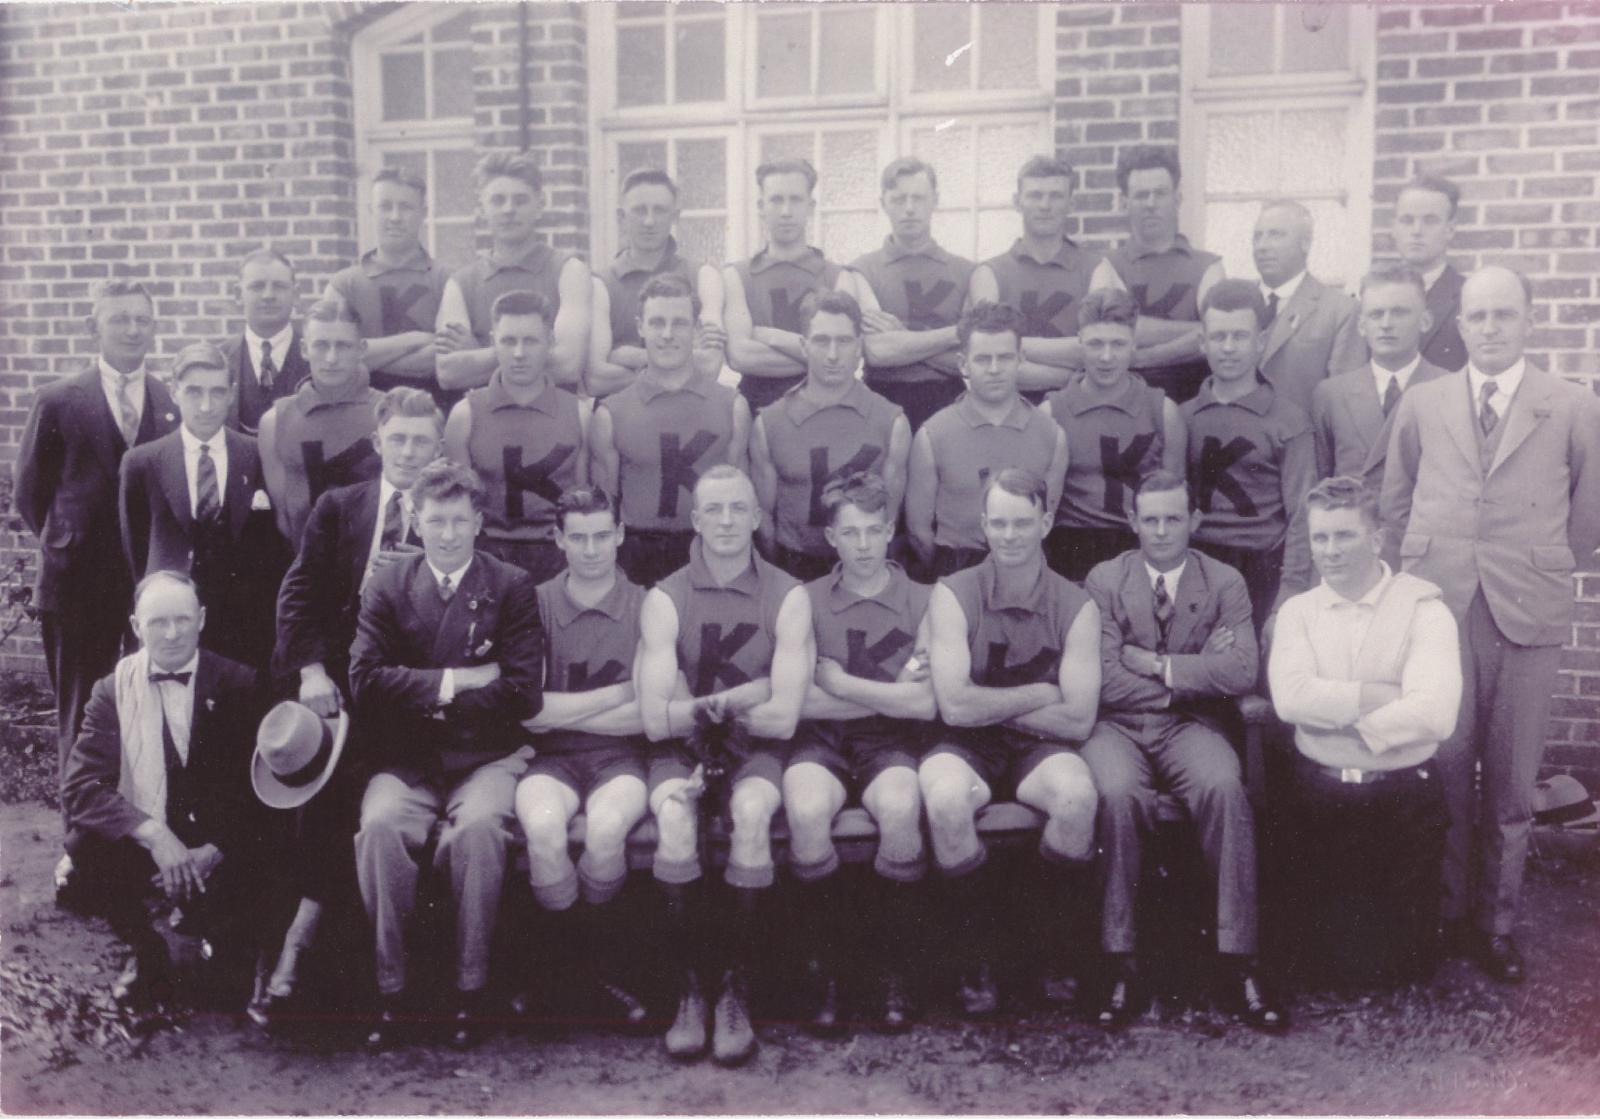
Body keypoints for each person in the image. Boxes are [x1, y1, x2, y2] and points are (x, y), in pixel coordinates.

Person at [1382, 265, 1600, 983]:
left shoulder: (1571, 405)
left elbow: (1590, 514)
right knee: (1445, 769)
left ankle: (1496, 924)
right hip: (1442, 604)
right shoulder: (1425, 402)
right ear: (1460, 323)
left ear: (1529, 319)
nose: (1491, 327)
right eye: (1478, 316)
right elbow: (1397, 498)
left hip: (1527, 607)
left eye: (1505, 314)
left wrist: (1540, 558)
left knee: (1510, 781)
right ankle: (1445, 915)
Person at [261, 386, 445, 1031]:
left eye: (422, 441)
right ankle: (304, 934)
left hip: (420, 682)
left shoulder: (451, 514)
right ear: (378, 441)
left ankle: (309, 934)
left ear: (438, 447)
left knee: (354, 774)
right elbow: (299, 592)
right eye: (398, 439)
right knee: (325, 766)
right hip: (341, 677)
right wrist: (311, 669)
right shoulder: (341, 508)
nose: (410, 452)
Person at [349, 462, 545, 1049]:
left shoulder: (510, 584)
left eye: (460, 521)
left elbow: (521, 691)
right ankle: (394, 990)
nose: (448, 533)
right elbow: (363, 679)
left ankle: (470, 989)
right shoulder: (387, 584)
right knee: (379, 828)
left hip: (485, 755)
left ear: (478, 523)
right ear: (416, 520)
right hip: (406, 759)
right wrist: (453, 683)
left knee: (480, 832)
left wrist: (421, 697)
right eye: (436, 520)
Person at [1081, 470, 1282, 1032]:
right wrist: (1196, 672)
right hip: (1116, 727)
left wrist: (1155, 664)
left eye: (1174, 519)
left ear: (1194, 521)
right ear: (1132, 521)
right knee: (1118, 794)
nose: (1163, 531)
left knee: (1223, 787)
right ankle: (1120, 961)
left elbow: (1242, 670)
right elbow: (1102, 678)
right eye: (1151, 519)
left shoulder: (1224, 583)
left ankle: (1237, 958)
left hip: (1189, 726)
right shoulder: (1104, 579)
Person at [636, 465, 811, 1065]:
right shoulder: (664, 596)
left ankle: (737, 987)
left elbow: (785, 718)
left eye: (739, 509)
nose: (728, 521)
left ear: (758, 516)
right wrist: (751, 691)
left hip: (757, 748)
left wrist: (701, 705)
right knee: (677, 819)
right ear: (695, 520)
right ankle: (690, 988)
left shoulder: (788, 595)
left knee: (753, 810)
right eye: (714, 510)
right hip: (679, 751)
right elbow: (656, 722)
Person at [920, 468, 1101, 1015]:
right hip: (962, 743)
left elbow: (1078, 721)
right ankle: (979, 955)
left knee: (1077, 797)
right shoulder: (953, 593)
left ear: (1046, 522)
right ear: (982, 525)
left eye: (1022, 523)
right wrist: (1039, 693)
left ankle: (1046, 951)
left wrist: (992, 705)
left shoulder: (1077, 605)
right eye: (998, 523)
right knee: (946, 798)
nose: (1010, 535)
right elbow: (953, 704)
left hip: (1035, 748)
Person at [1269, 476, 1461, 989]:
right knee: (1325, 964)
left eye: (1344, 536)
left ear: (1376, 539)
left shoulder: (1426, 610)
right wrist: (1381, 694)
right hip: (1322, 799)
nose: (1329, 551)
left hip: (1402, 801)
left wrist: (1340, 715)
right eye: (1319, 538)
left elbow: (1437, 713)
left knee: (1401, 968)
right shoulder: (1298, 613)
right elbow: (1289, 700)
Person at [60, 572, 266, 1010]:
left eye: (182, 620)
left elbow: (260, 791)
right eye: (157, 623)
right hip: (154, 835)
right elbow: (80, 786)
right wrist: (154, 836)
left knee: (225, 982)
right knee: (84, 843)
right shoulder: (112, 690)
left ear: (202, 619)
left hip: (216, 842)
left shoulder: (240, 683)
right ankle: (144, 948)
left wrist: (217, 848)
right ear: (136, 627)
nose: (172, 634)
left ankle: (216, 934)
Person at [16, 279, 179, 822]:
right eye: (120, 320)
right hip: (77, 583)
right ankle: (79, 842)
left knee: (141, 706)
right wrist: (67, 542)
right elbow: (30, 493)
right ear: (95, 328)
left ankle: (135, 828)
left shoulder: (166, 398)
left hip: (144, 584)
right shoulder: (60, 399)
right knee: (82, 710)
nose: (133, 330)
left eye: (143, 320)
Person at [786, 472, 937, 1034]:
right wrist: (887, 696)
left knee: (900, 805)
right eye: (851, 533)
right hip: (819, 741)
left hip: (890, 743)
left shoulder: (924, 599)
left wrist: (843, 686)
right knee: (804, 809)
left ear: (891, 531)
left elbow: (923, 707)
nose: (865, 545)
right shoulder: (803, 600)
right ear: (831, 538)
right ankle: (826, 967)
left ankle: (892, 965)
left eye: (875, 531)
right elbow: (797, 702)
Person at [513, 486, 651, 1026]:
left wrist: (560, 709)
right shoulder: (533, 602)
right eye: (578, 538)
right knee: (544, 829)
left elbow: (649, 715)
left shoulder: (647, 603)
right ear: (558, 540)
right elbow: (526, 713)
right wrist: (617, 696)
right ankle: (568, 971)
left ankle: (594, 970)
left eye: (602, 536)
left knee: (606, 830)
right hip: (548, 760)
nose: (591, 549)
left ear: (619, 535)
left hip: (622, 759)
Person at [118, 342, 279, 671]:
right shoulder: (143, 462)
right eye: (193, 392)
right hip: (175, 622)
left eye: (217, 392)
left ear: (232, 393)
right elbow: (135, 548)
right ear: (174, 392)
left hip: (243, 622)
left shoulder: (256, 454)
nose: (206, 406)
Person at [589, 272, 750, 587]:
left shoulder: (731, 407)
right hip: (638, 556)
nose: (667, 334)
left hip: (709, 549)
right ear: (640, 327)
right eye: (657, 322)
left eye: (678, 323)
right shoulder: (612, 412)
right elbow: (606, 507)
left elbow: (741, 497)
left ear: (695, 329)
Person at [1181, 279, 1316, 637]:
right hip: (1197, 566)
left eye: (1239, 337)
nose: (1228, 348)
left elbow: (1303, 515)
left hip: (1261, 568)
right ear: (1202, 342)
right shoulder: (1183, 417)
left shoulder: (1288, 419)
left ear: (1260, 342)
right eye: (1218, 336)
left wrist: (1289, 591)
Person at [749, 289, 910, 581]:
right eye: (822, 341)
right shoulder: (769, 423)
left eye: (844, 341)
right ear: (803, 345)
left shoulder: (892, 422)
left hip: (862, 571)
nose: (833, 355)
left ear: (859, 346)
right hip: (792, 568)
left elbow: (889, 521)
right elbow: (765, 522)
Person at [905, 302, 1067, 579]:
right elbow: (919, 532)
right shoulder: (933, 434)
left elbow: (1044, 524)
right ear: (963, 363)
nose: (994, 369)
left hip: (1026, 574)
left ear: (1021, 358)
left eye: (1004, 357)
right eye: (982, 359)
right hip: (956, 569)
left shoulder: (1051, 435)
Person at [1309, 265, 1450, 570]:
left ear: (1425, 320)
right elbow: (1321, 482)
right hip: (1352, 555)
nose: (1386, 324)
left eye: (1400, 313)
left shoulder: (1449, 390)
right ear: (1361, 325)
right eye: (1376, 314)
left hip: (1421, 554)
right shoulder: (1332, 395)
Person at [1044, 287, 1187, 582]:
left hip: (1139, 549)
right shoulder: (1052, 412)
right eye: (1096, 344)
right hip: (1069, 550)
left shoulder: (1162, 411)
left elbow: (1174, 508)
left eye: (1118, 344)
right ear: (1080, 342)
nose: (1106, 356)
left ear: (1134, 344)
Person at [443, 291, 586, 585]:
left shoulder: (579, 413)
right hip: (488, 559)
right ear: (494, 340)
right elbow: (460, 510)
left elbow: (584, 506)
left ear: (549, 341)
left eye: (530, 341)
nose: (519, 353)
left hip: (558, 559)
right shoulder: (466, 415)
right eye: (509, 341)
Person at [435, 150, 591, 392]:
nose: (509, 209)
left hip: (555, 420)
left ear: (539, 206)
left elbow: (569, 364)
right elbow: (448, 373)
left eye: (520, 200)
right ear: (481, 210)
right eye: (498, 200)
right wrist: (536, 352)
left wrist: (477, 351)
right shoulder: (461, 283)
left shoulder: (568, 271)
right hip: (482, 422)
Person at [969, 155, 1120, 403]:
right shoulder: (990, 273)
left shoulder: (1096, 268)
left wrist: (1014, 348)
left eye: (1056, 196)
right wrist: (1069, 376)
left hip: (1080, 409)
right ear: (1017, 202)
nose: (1045, 205)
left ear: (1070, 203)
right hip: (1007, 410)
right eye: (1035, 195)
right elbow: (987, 357)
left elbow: (1101, 349)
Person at [849, 157, 974, 431]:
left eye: (918, 198)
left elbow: (972, 359)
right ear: (883, 203)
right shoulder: (862, 270)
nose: (909, 209)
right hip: (881, 398)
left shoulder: (967, 272)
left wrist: (902, 340)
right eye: (898, 199)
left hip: (949, 399)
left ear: (935, 200)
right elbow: (877, 351)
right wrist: (957, 333)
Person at [723, 157, 850, 413]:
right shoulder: (737, 275)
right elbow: (740, 355)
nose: (786, 211)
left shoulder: (837, 277)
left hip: (824, 408)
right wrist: (818, 358)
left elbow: (844, 358)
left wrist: (769, 336)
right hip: (756, 408)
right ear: (761, 206)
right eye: (776, 200)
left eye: (795, 200)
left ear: (810, 206)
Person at [588, 168, 726, 397]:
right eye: (639, 210)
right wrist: (681, 359)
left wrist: (625, 355)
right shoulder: (601, 284)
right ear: (621, 217)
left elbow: (710, 367)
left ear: (675, 216)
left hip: (689, 413)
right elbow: (596, 380)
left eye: (660, 210)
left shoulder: (703, 276)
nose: (649, 221)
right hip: (619, 421)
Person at [1103, 145, 1226, 403]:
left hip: (1195, 404)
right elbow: (1115, 333)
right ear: (1125, 202)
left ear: (1177, 198)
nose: (1151, 203)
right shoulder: (1107, 265)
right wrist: (1197, 330)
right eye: (1141, 195)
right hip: (1126, 406)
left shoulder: (1208, 266)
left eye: (1160, 193)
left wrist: (1143, 357)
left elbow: (1218, 336)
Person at [258, 298, 383, 545]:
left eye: (343, 346)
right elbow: (285, 519)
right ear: (304, 349)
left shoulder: (389, 412)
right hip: (309, 567)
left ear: (362, 348)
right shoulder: (275, 421)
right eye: (321, 345)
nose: (331, 358)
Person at [323, 168, 454, 403]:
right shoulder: (343, 285)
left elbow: (447, 357)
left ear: (423, 213)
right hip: (359, 412)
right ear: (371, 210)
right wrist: (416, 339)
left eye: (405, 207)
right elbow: (334, 356)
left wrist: (367, 358)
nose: (395, 217)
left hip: (432, 411)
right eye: (385, 206)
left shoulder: (447, 280)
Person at [1251, 200, 1366, 414]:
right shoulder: (1237, 304)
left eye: (1276, 235)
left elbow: (1345, 406)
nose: (1263, 246)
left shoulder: (1340, 310)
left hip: (1305, 443)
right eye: (1258, 236)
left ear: (1305, 243)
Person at [219, 249, 308, 436]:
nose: (268, 295)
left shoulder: (317, 357)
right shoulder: (220, 359)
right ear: (237, 294)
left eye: (279, 286)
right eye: (257, 286)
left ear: (296, 294)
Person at [1390, 175, 1467, 372]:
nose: (1416, 231)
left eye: (1430, 221)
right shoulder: (1373, 294)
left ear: (1450, 230)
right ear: (1394, 228)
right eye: (1407, 220)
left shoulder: (1468, 297)